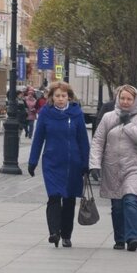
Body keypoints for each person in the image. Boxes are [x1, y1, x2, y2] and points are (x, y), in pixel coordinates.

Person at [27, 81, 90, 248]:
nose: (61, 99)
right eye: (57, 96)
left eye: (63, 96)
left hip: (72, 164)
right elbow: (38, 139)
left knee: (69, 199)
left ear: (69, 97)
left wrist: (86, 163)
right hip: (52, 163)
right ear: (51, 97)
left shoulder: (76, 113)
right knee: (54, 196)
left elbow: (83, 140)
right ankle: (54, 232)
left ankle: (66, 235)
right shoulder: (46, 114)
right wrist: (32, 161)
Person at [89, 84, 137, 251]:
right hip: (112, 167)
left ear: (135, 100)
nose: (125, 101)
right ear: (118, 98)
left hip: (135, 167)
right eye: (122, 98)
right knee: (117, 206)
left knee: (130, 200)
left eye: (129, 99)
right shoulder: (108, 117)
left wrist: (128, 124)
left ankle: (132, 238)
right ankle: (120, 238)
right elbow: (98, 141)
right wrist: (94, 165)